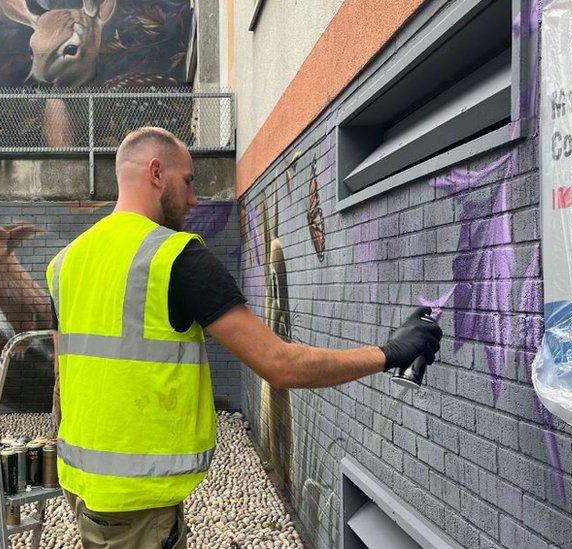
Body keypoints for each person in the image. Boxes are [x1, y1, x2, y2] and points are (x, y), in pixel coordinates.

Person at [46, 127, 442, 548]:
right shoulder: (175, 257)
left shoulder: (65, 263)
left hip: (87, 493)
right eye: (189, 181)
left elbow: (62, 383)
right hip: (136, 508)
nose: (194, 198)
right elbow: (281, 365)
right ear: (157, 173)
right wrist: (388, 352)